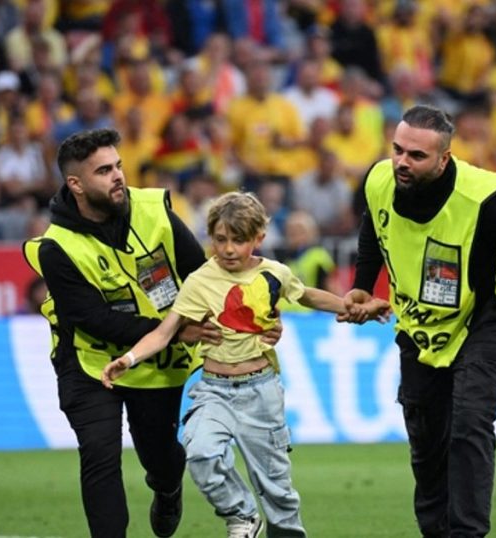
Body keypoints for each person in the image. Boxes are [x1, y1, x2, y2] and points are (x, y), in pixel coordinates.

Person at [340, 104, 496, 537]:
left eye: (416, 156)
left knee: (469, 424)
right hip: (420, 326)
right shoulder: (378, 179)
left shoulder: (487, 198)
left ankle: (467, 534)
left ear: (443, 159)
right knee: (426, 444)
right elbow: (374, 226)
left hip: (484, 319)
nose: (401, 163)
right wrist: (363, 283)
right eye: (397, 150)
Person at [101, 191, 389, 537]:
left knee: (278, 494)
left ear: (259, 239)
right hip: (214, 390)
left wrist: (352, 307)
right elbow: (165, 333)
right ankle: (242, 515)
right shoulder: (200, 281)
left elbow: (307, 294)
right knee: (201, 453)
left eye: (238, 240)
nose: (228, 249)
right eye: (220, 239)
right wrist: (128, 359)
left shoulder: (274, 274)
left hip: (261, 391)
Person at [22, 128, 256, 538]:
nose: (117, 177)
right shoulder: (56, 247)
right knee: (99, 454)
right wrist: (173, 330)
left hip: (157, 362)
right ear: (75, 184)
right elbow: (92, 319)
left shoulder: (154, 209)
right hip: (89, 362)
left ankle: (167, 489)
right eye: (103, 171)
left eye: (118, 166)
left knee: (160, 457)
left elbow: (197, 272)